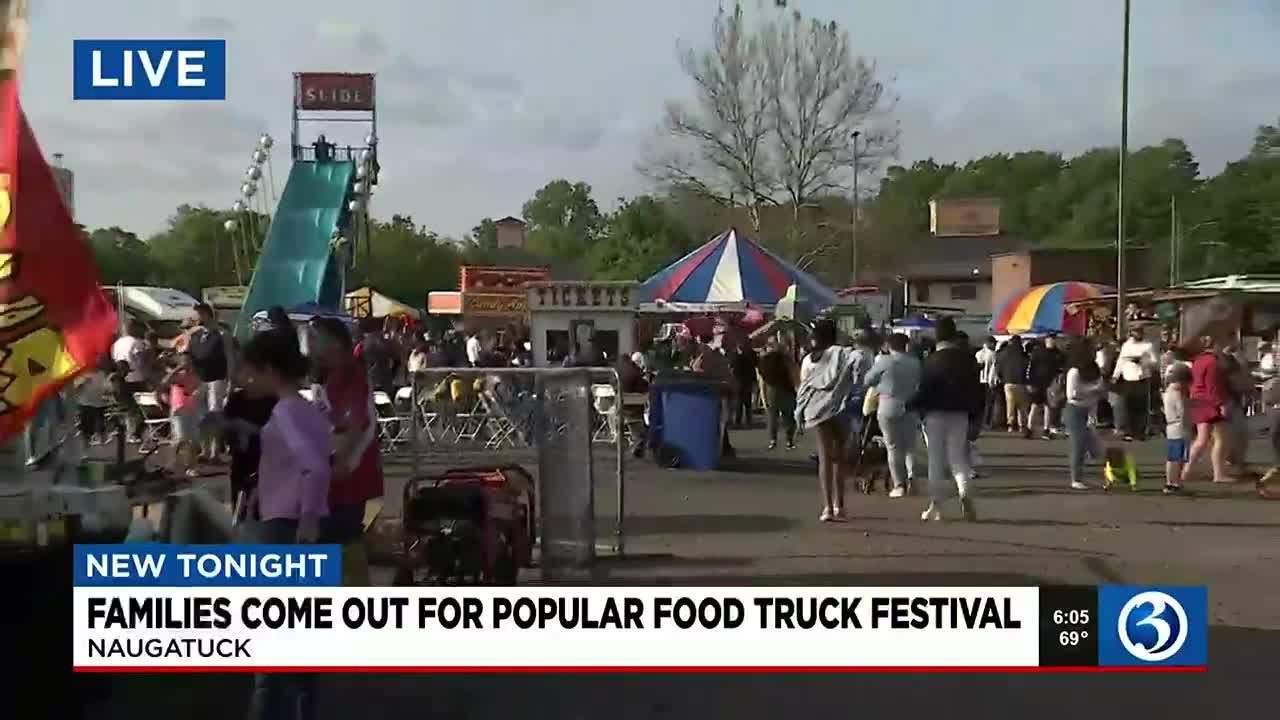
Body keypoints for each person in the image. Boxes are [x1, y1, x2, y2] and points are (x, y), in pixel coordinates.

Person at [241, 329, 331, 720]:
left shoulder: (285, 412)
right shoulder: (308, 409)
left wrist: (305, 521)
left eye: (253, 372)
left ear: (270, 370)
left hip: (283, 530)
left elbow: (314, 467)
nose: (248, 380)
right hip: (298, 527)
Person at [308, 317, 384, 586]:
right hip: (334, 476)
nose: (312, 346)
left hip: (349, 474)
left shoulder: (350, 376)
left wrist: (336, 462)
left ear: (337, 343)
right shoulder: (328, 377)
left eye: (317, 339)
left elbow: (353, 426)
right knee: (339, 541)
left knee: (339, 539)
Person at [913, 319, 981, 521]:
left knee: (935, 461)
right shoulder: (968, 360)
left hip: (934, 415)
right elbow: (977, 390)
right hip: (960, 414)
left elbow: (924, 390)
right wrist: (976, 414)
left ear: (937, 336)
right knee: (957, 458)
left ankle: (936, 506)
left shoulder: (931, 361)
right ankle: (964, 491)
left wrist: (912, 407)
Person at [794, 318, 859, 521]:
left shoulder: (808, 360)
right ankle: (841, 505)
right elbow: (854, 377)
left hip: (817, 412)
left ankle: (827, 507)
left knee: (825, 458)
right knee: (840, 457)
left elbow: (803, 386)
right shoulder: (843, 354)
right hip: (840, 409)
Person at [865, 333, 921, 498]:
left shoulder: (884, 361)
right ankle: (913, 478)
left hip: (888, 405)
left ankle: (899, 485)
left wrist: (880, 384)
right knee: (910, 446)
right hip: (910, 405)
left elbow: (868, 380)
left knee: (893, 447)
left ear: (889, 345)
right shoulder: (915, 362)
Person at [1184, 334, 1238, 484]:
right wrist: (1221, 404)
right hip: (1211, 403)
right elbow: (1213, 386)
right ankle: (1218, 474)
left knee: (1201, 439)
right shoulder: (1213, 363)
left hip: (1198, 400)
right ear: (1215, 346)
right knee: (1221, 439)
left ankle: (1186, 470)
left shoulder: (1198, 360)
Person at [186, 303, 231, 462]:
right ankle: (204, 451)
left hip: (217, 379)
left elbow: (230, 358)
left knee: (214, 415)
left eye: (198, 314)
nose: (195, 318)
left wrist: (230, 381)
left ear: (206, 315)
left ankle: (214, 452)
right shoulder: (195, 336)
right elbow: (189, 359)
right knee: (201, 417)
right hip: (199, 380)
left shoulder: (221, 334)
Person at [1063, 342, 1106, 491]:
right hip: (1074, 410)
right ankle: (1076, 479)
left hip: (1090, 408)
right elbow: (1072, 394)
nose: (1093, 354)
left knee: (1095, 447)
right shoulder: (1074, 372)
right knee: (1078, 445)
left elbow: (1100, 391)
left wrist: (1093, 415)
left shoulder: (1094, 370)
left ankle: (1106, 476)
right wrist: (1094, 389)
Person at [1113, 325, 1157, 440]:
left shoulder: (1148, 345)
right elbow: (1120, 361)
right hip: (1128, 377)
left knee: (1141, 406)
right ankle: (1128, 432)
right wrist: (1115, 375)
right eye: (1135, 332)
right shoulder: (1126, 345)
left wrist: (1143, 361)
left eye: (1139, 332)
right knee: (1128, 405)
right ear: (1131, 332)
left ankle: (1140, 431)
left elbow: (1154, 361)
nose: (1138, 334)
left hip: (1142, 377)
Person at [162, 352, 201, 478]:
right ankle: (170, 463)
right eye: (184, 361)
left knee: (193, 440)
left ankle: (192, 466)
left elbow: (197, 387)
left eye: (188, 361)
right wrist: (178, 368)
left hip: (192, 409)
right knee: (180, 438)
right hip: (179, 410)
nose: (186, 363)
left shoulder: (195, 375)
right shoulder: (178, 375)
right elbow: (165, 382)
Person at [111, 319, 149, 442]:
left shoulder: (116, 344)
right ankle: (135, 433)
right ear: (132, 328)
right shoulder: (136, 342)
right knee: (141, 407)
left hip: (121, 380)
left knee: (129, 408)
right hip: (136, 378)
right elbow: (142, 360)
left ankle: (131, 431)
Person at [757, 337, 797, 450]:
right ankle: (789, 440)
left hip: (771, 390)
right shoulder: (786, 359)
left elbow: (762, 380)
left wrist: (763, 397)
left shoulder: (764, 361)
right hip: (787, 389)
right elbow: (793, 374)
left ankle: (772, 440)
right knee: (788, 416)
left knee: (772, 417)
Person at [1026, 337, 1063, 440]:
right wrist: (1030, 382)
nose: (1052, 342)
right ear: (1046, 341)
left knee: (1047, 407)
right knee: (1035, 406)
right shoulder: (1039, 353)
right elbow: (1031, 368)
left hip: (1049, 384)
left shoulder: (1056, 353)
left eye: (1054, 340)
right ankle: (1030, 428)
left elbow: (1060, 366)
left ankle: (1045, 430)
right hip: (1039, 383)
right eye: (1050, 340)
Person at [1163, 363, 1192, 494]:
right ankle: (1173, 483)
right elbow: (1183, 412)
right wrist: (1189, 427)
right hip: (1179, 427)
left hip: (1170, 426)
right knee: (1177, 458)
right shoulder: (1178, 394)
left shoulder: (1167, 392)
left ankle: (1171, 482)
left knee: (1172, 457)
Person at [73, 355, 113, 445]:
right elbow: (75, 387)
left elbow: (107, 388)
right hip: (88, 403)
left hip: (93, 403)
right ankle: (92, 439)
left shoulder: (100, 374)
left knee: (93, 425)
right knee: (89, 425)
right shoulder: (87, 375)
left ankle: (96, 438)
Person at [997, 335, 1029, 434]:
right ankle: (1021, 425)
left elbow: (998, 368)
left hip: (1008, 382)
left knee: (1010, 403)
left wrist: (1001, 377)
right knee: (1022, 405)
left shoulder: (1003, 354)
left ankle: (1010, 424)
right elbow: (1027, 367)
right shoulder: (1024, 355)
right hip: (1021, 382)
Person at [975, 337, 1001, 430]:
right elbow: (993, 370)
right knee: (989, 404)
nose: (994, 346)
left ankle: (978, 422)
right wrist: (993, 382)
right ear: (990, 343)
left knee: (980, 404)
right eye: (993, 344)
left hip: (979, 381)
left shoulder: (977, 354)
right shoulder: (993, 354)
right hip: (988, 382)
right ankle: (987, 423)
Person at [731, 342, 758, 428]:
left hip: (739, 382)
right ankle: (748, 420)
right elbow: (752, 370)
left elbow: (733, 371)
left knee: (739, 402)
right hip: (747, 382)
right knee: (747, 403)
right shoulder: (748, 358)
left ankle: (738, 421)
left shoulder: (735, 359)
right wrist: (753, 380)